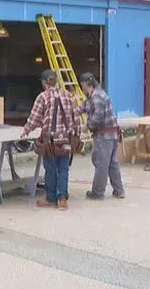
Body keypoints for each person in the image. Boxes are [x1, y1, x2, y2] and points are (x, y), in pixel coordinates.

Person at [21, 70, 82, 210]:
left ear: (44, 83)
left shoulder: (42, 97)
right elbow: (76, 117)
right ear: (56, 81)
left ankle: (51, 198)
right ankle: (62, 199)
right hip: (66, 139)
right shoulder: (68, 95)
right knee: (63, 169)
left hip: (50, 141)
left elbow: (34, 119)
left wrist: (26, 131)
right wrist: (77, 135)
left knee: (50, 169)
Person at [76, 72, 125, 200]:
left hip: (104, 135)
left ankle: (97, 192)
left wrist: (85, 127)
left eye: (82, 86)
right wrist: (72, 113)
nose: (82, 89)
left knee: (101, 163)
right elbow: (84, 107)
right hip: (112, 134)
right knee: (112, 163)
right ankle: (119, 190)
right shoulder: (97, 94)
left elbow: (97, 118)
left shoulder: (96, 97)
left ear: (87, 84)